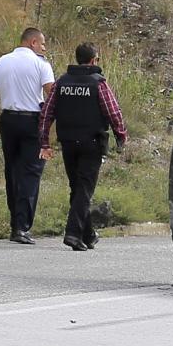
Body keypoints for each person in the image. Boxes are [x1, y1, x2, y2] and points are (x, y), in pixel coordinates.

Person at [38, 42, 128, 251]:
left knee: (77, 188)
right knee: (84, 190)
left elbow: (47, 114)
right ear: (93, 60)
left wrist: (44, 141)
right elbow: (113, 112)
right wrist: (121, 135)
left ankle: (87, 235)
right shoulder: (98, 83)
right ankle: (73, 233)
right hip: (92, 143)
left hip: (68, 142)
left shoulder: (62, 82)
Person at [0, 27, 54, 245]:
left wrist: (0, 120)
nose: (44, 48)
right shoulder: (41, 64)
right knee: (31, 173)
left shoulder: (0, 62)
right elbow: (52, 94)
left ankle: (15, 220)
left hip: (8, 120)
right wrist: (50, 123)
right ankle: (22, 227)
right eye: (42, 44)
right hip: (32, 121)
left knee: (12, 171)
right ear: (32, 42)